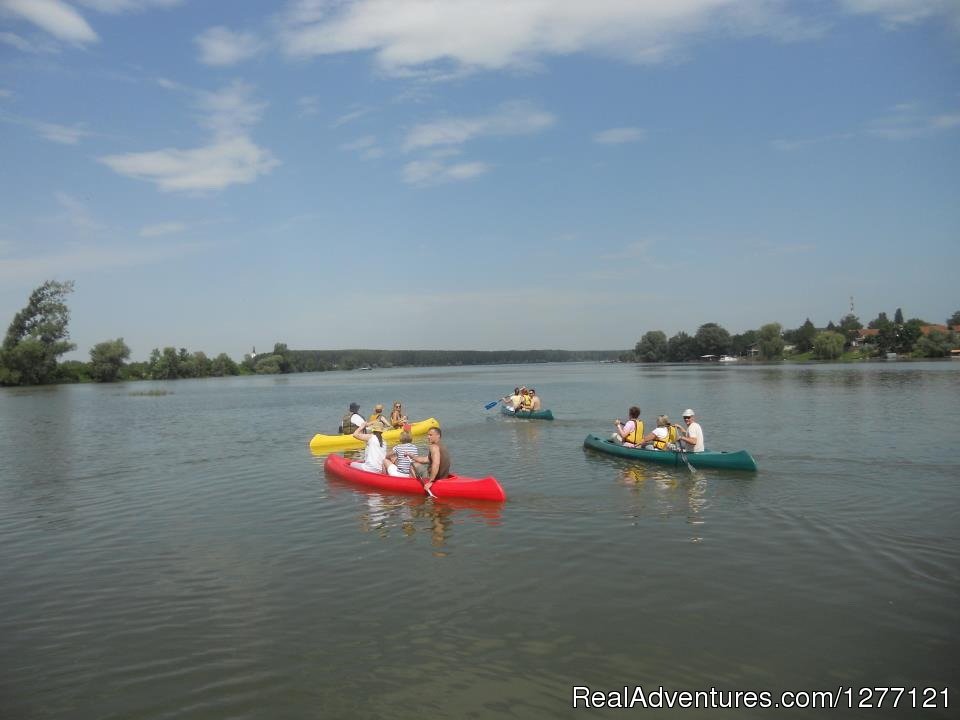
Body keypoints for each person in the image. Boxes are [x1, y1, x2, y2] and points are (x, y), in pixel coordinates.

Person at [409, 427, 450, 497]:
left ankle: (412, 486)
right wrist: (413, 457)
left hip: (435, 479)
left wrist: (431, 481)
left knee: (412, 466)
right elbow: (427, 459)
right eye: (428, 435)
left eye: (430, 435)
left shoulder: (433, 447)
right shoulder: (442, 446)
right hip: (444, 477)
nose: (428, 437)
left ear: (438, 435)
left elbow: (436, 464)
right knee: (416, 463)